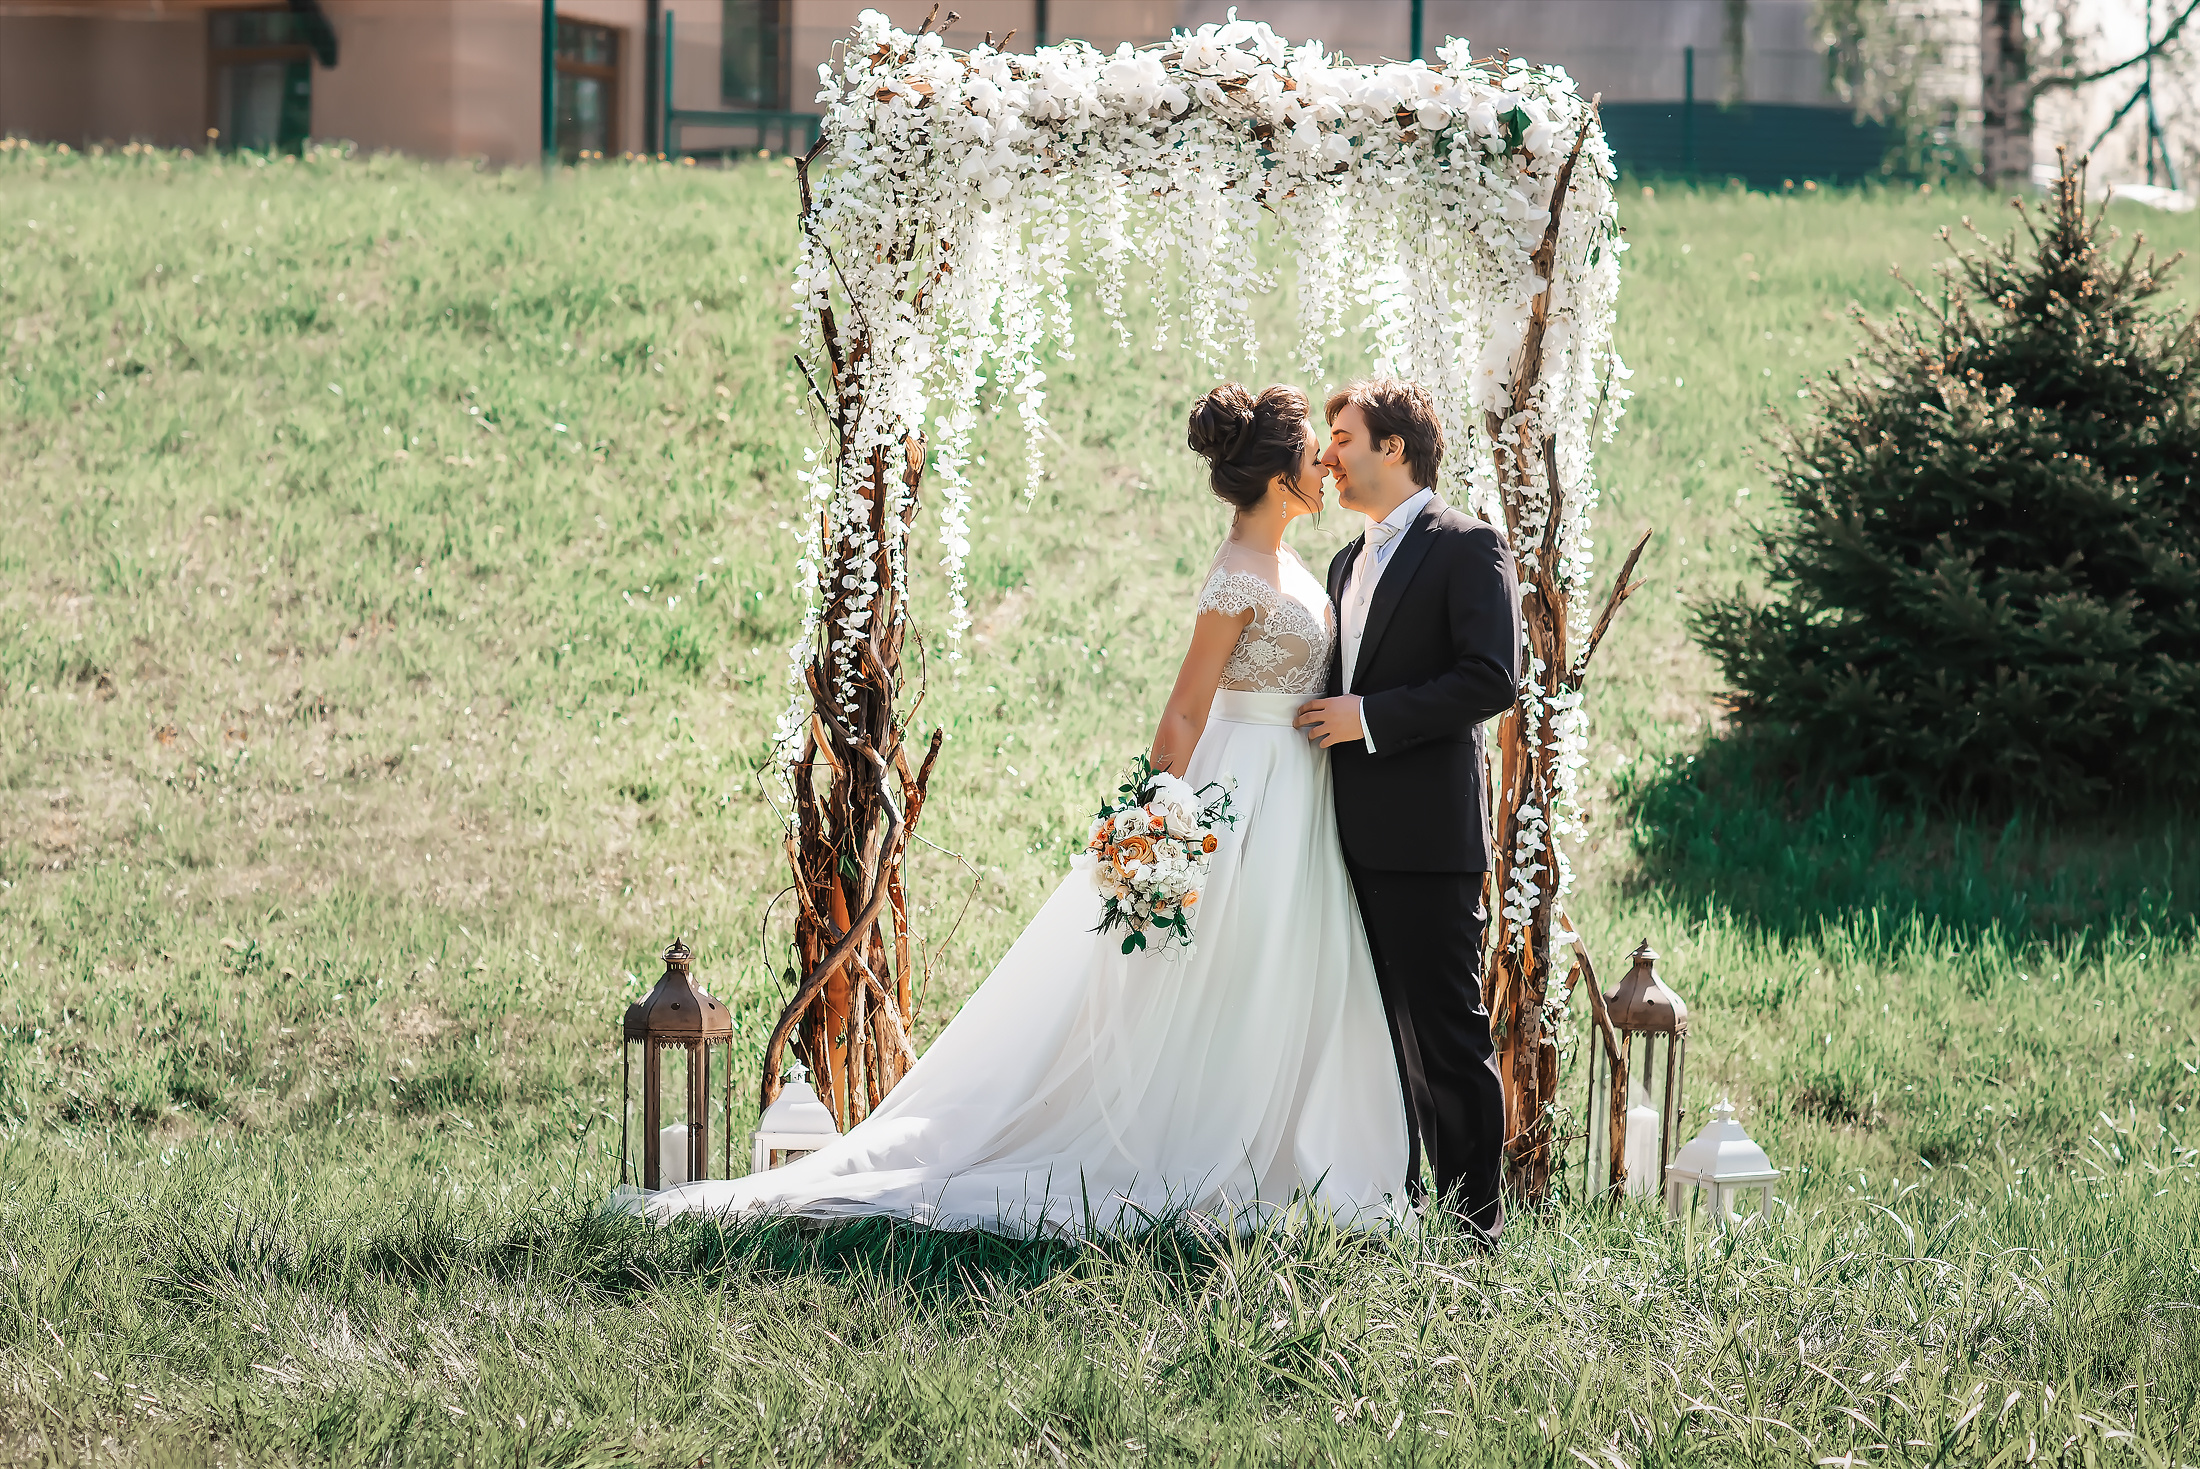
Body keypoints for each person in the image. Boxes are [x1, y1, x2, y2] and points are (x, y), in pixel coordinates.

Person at [644, 383, 1409, 1238]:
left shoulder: (1294, 562)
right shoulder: (1237, 574)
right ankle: (1206, 1147)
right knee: (1227, 973)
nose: (1328, 462)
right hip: (1245, 794)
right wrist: (1159, 821)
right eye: (1315, 454)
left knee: (1277, 969)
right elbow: (1186, 711)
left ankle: (1281, 1144)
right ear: (1279, 480)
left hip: (1298, 796)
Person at [1292, 378, 1521, 1245]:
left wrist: (1370, 719)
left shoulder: (1467, 546)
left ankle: (1475, 1236)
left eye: (1343, 437)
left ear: (1394, 447)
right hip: (1345, 837)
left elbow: (1490, 679)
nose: (1328, 455)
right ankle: (1402, 1210)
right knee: (1382, 1039)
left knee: (1447, 1035)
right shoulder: (1347, 562)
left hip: (1428, 842)